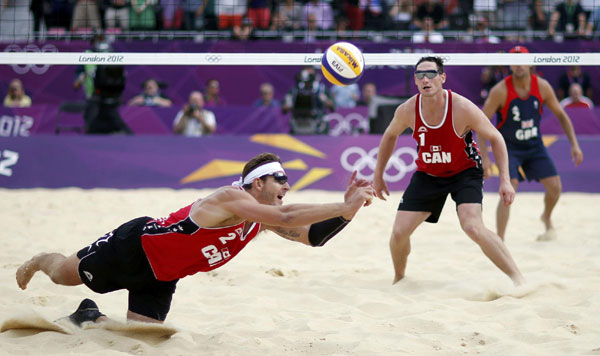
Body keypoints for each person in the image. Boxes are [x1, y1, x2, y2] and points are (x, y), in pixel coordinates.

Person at [16, 153, 374, 325]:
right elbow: (287, 215)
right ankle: (39, 259)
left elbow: (313, 237)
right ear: (257, 183)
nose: (287, 185)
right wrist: (343, 201)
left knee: (142, 337)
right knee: (64, 274)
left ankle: (89, 315)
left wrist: (350, 211)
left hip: (163, 275)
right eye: (280, 179)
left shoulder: (258, 221)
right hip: (134, 248)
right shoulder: (230, 198)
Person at [373, 56, 525, 286]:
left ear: (442, 77)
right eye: (419, 75)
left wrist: (505, 180)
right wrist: (378, 176)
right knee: (398, 234)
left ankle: (519, 280)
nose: (425, 79)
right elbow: (389, 135)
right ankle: (400, 279)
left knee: (472, 226)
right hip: (429, 174)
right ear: (415, 81)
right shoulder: (407, 109)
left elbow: (495, 137)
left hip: (464, 171)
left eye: (431, 74)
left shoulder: (461, 107)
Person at [480, 45, 584, 242]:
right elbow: (481, 125)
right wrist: (485, 157)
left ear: (531, 64)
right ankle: (500, 240)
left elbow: (561, 115)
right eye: (515, 61)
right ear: (509, 66)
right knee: (510, 189)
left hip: (534, 145)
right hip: (508, 147)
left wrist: (574, 144)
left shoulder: (542, 86)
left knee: (555, 187)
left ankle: (546, 216)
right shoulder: (499, 90)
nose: (519, 65)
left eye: (523, 61)